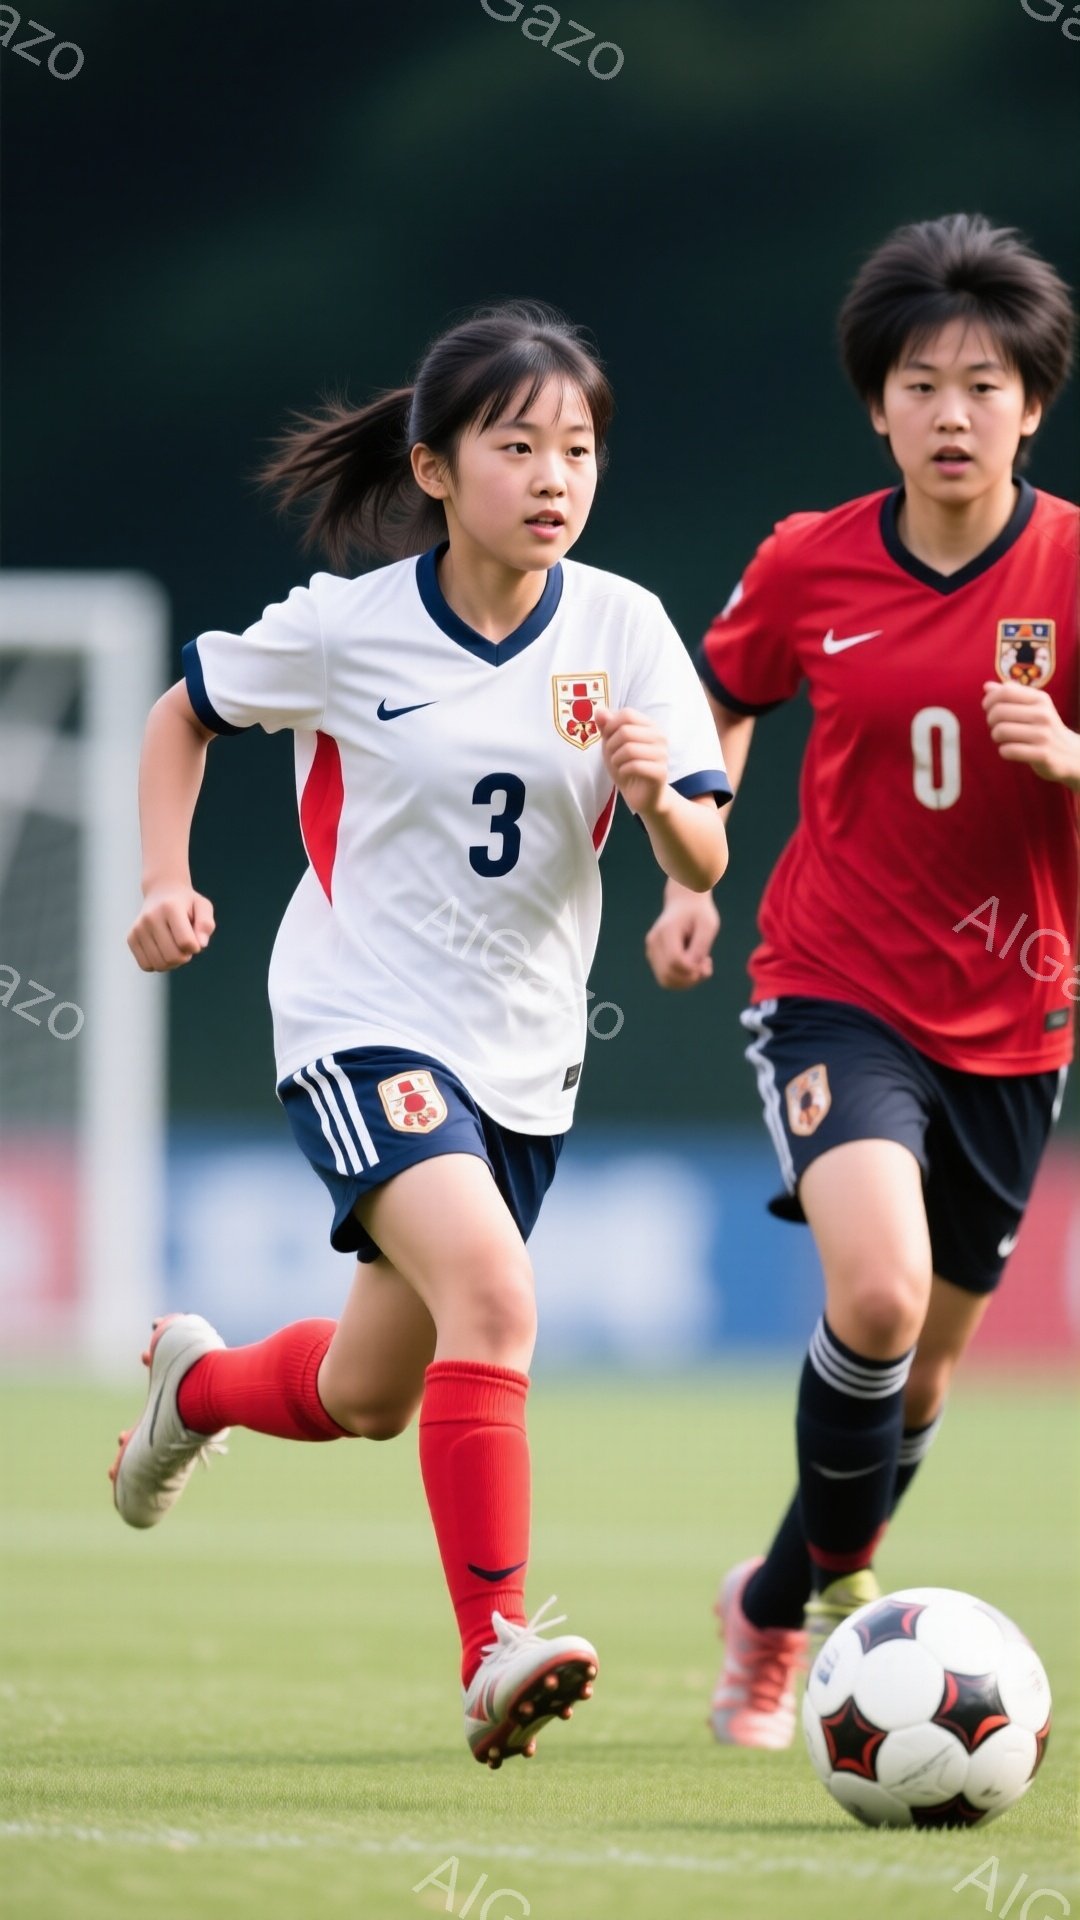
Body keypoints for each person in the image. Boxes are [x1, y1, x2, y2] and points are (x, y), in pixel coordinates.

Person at [113, 301, 731, 1768]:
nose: (554, 476)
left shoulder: (626, 627)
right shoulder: (349, 626)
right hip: (358, 1024)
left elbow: (706, 860)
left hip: (524, 1060)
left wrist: (663, 804)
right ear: (438, 467)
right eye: (516, 445)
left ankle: (190, 1387)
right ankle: (493, 1650)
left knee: (371, 1395)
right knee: (499, 1306)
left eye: (576, 448)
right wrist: (162, 880)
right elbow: (181, 715)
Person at [645, 214, 1078, 1750]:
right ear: (875, 405)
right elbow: (732, 690)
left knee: (929, 1370)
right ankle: (834, 1614)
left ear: (1034, 403)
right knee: (879, 1293)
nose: (952, 412)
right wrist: (692, 863)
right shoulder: (810, 554)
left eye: (984, 383)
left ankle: (764, 1601)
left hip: (1020, 1022)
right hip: (834, 984)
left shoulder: (1078, 564)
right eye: (919, 383)